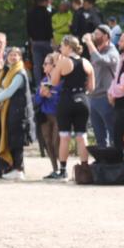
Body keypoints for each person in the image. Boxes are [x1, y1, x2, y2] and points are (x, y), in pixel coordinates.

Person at [49, 35, 94, 180]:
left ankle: (63, 170)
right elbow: (91, 87)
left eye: (62, 46)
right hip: (83, 100)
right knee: (82, 136)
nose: (60, 48)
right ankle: (85, 169)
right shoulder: (86, 62)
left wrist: (56, 65)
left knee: (65, 137)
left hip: (67, 99)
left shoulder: (64, 62)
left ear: (68, 46)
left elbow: (54, 82)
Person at [0, 47, 33, 180]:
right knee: (11, 139)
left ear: (20, 58)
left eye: (16, 55)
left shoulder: (20, 73)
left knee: (17, 141)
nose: (13, 57)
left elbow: (9, 91)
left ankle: (19, 169)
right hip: (9, 111)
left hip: (19, 113)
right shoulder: (7, 72)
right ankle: (12, 168)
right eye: (11, 55)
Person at [82, 24, 120, 148]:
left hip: (106, 97)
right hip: (94, 97)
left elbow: (100, 60)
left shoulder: (112, 51)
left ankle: (117, 157)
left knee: (113, 132)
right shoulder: (97, 51)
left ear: (106, 36)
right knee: (99, 136)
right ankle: (103, 158)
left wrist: (89, 42)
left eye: (97, 34)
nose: (94, 36)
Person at [35, 53, 61, 179]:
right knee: (48, 142)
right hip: (45, 116)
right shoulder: (44, 81)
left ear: (54, 65)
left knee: (57, 142)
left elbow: (62, 100)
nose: (43, 66)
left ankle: (62, 169)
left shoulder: (60, 81)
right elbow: (36, 101)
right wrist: (41, 95)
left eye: (46, 63)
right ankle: (55, 169)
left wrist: (51, 96)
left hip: (57, 116)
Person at [26, 0, 54, 89]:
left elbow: (28, 28)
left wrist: (31, 39)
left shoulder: (30, 13)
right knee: (50, 62)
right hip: (46, 41)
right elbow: (50, 28)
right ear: (44, 2)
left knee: (37, 65)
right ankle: (50, 82)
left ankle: (38, 85)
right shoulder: (47, 13)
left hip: (35, 41)